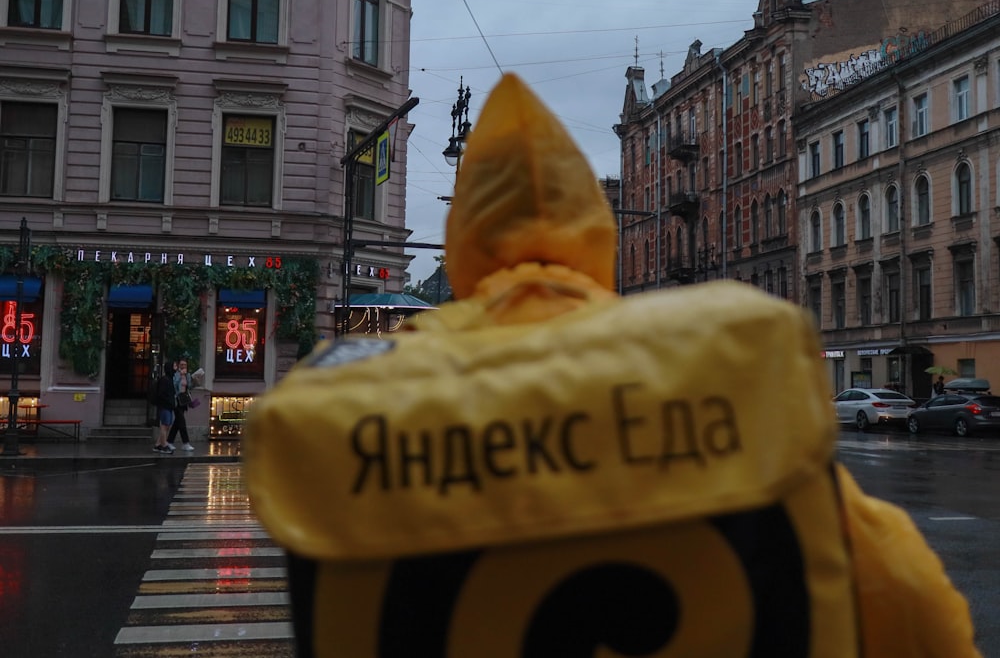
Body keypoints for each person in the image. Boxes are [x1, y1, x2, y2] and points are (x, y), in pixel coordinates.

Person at [245, 74, 980, 657]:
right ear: (597, 242)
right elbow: (915, 610)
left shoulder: (367, 411)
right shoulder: (728, 381)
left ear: (463, 249)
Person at [168, 358, 195, 451]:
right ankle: (186, 442)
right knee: (182, 421)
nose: (183, 366)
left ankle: (169, 441)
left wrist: (193, 379)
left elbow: (189, 386)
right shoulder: (176, 375)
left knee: (177, 422)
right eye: (182, 364)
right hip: (177, 399)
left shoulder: (187, 375)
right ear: (179, 365)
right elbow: (174, 384)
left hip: (184, 400)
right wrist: (180, 375)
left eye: (185, 365)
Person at [153, 362, 175, 454]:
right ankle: (164, 445)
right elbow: (162, 394)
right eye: (174, 366)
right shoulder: (165, 380)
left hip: (168, 406)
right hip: (165, 406)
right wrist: (168, 401)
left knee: (167, 425)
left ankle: (158, 444)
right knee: (164, 425)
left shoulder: (169, 379)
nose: (175, 368)